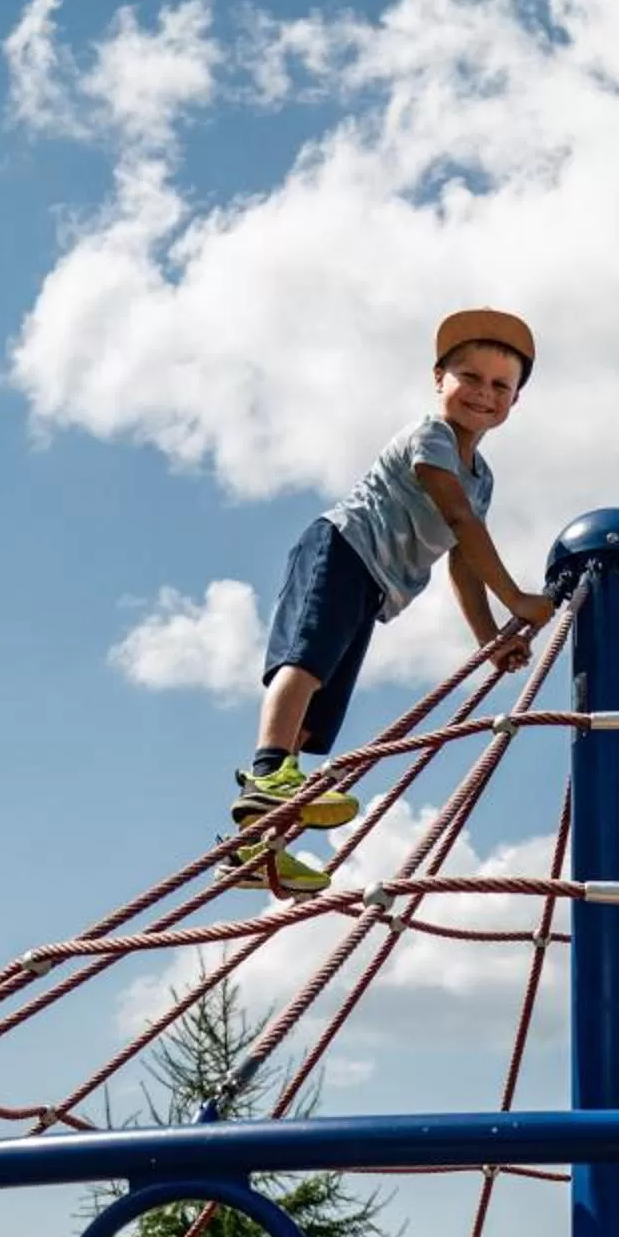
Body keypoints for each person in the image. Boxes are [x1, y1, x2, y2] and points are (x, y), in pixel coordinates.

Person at [227, 307, 554, 890]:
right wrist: (518, 600)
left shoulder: (483, 477)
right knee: (307, 661)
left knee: (320, 715)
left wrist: (489, 639)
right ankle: (267, 771)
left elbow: (461, 555)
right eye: (469, 377)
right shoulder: (431, 438)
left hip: (376, 584)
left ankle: (259, 847)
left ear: (515, 403)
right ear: (438, 379)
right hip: (342, 547)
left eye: (500, 385)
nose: (484, 393)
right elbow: (456, 516)